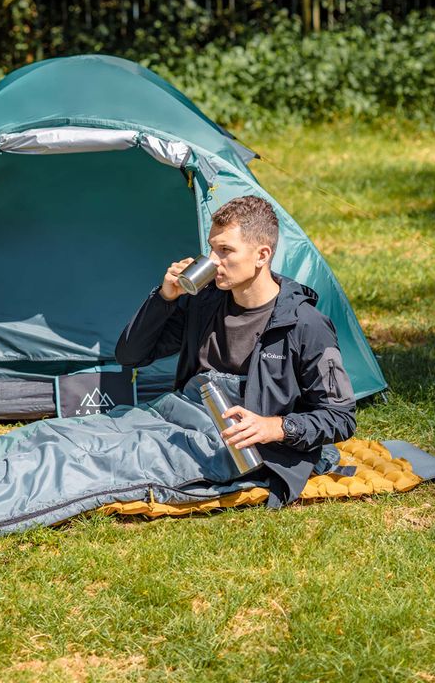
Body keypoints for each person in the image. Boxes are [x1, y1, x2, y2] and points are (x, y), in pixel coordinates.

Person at [115, 195, 357, 506]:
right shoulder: (203, 304)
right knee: (94, 436)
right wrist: (164, 298)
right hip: (182, 420)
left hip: (245, 447)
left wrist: (277, 426)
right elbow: (130, 355)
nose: (213, 261)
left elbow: (340, 418)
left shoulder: (305, 325)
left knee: (127, 458)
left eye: (226, 250)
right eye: (212, 249)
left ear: (262, 255)